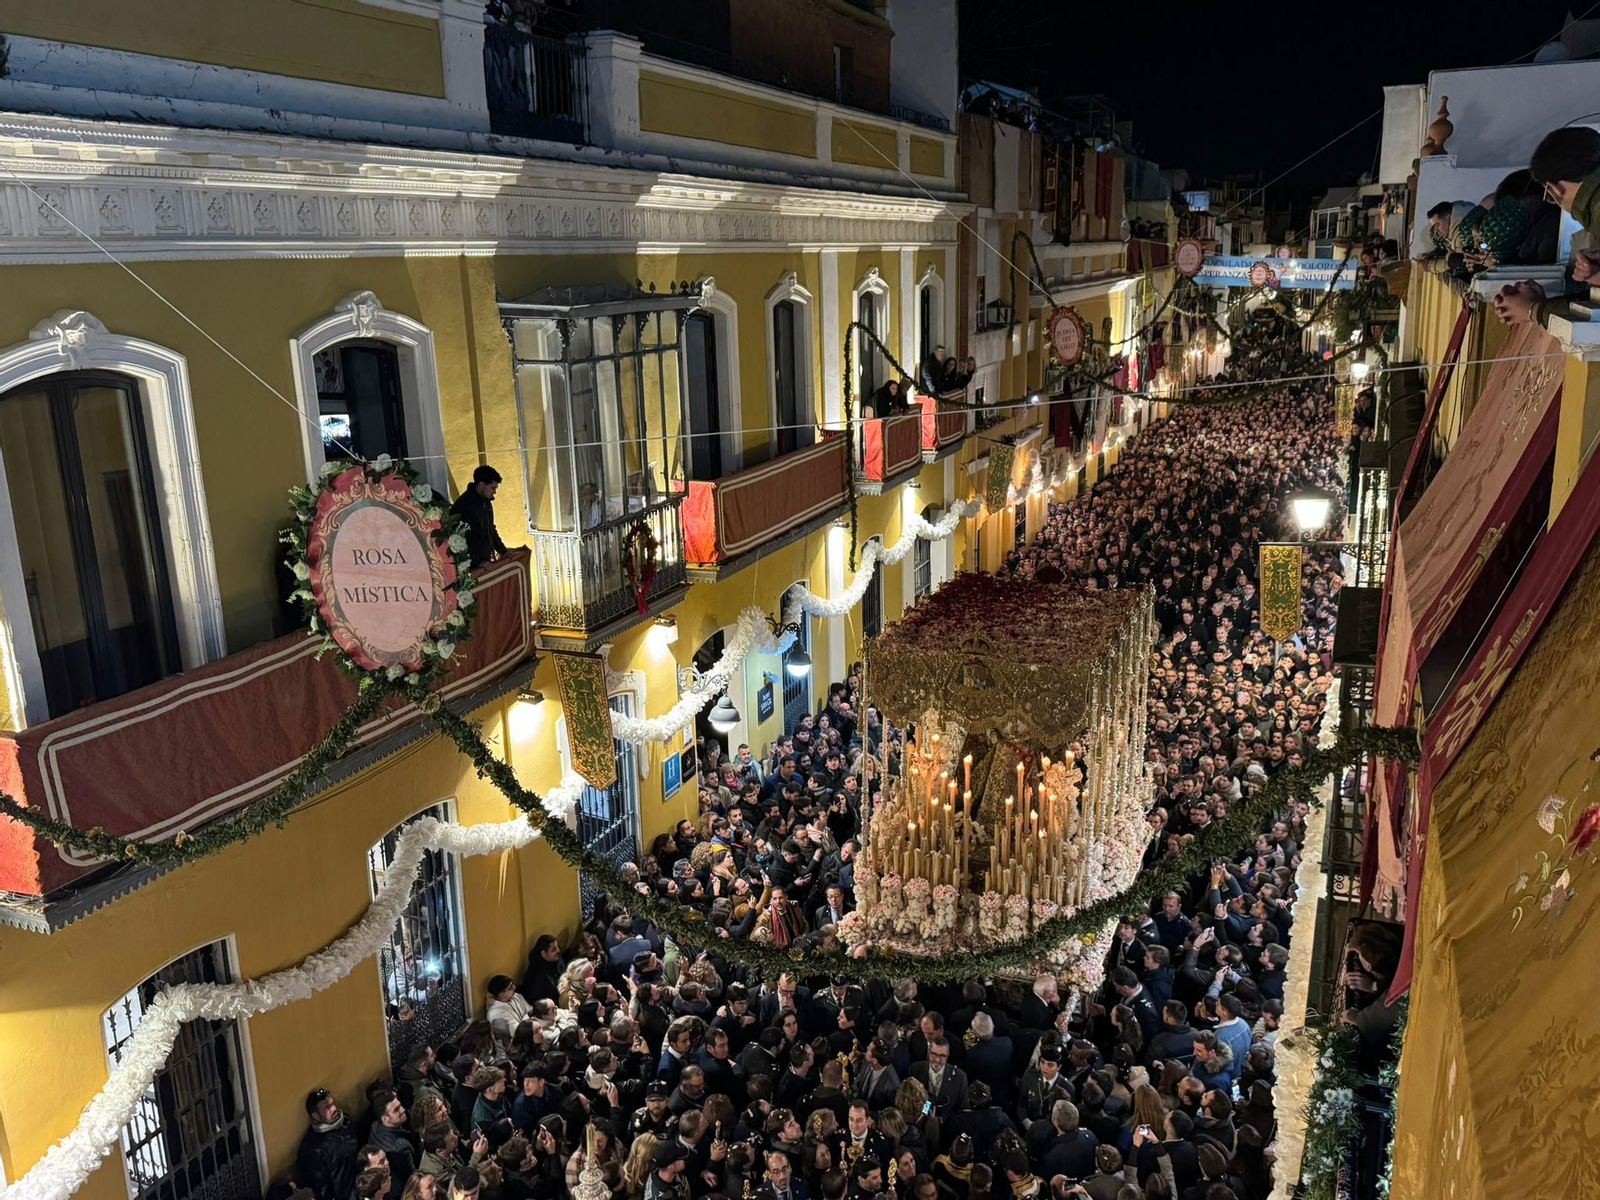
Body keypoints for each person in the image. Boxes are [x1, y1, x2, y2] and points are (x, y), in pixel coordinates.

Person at [297, 1088, 359, 1200]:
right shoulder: (313, 1148)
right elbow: (322, 1189)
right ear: (315, 1116)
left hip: (360, 1187)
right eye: (327, 1108)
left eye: (333, 1104)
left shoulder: (345, 1122)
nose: (334, 1108)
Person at [450, 464, 508, 567]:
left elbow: (490, 529)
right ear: (481, 485)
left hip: (485, 562)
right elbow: (460, 538)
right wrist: (476, 563)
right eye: (492, 488)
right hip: (473, 566)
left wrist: (503, 551)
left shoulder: (486, 503)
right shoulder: (465, 505)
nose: (495, 492)